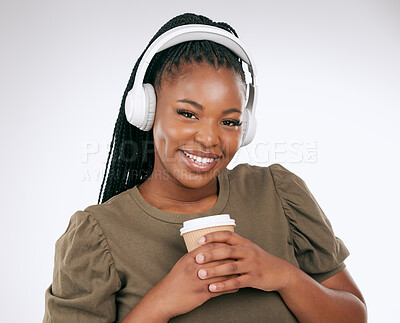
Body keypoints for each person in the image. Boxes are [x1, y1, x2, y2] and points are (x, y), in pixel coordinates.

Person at [43, 13, 367, 322]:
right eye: (188, 113)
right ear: (146, 109)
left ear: (247, 127)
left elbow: (354, 316)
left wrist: (283, 275)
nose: (210, 138)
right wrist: (161, 304)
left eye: (229, 121)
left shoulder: (279, 192)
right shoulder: (96, 234)